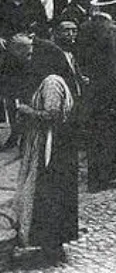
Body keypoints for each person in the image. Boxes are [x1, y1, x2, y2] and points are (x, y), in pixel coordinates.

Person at [11, 39, 79, 264]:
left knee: (49, 193)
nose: (29, 61)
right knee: (49, 194)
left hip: (53, 148)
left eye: (32, 56)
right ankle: (48, 243)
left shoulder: (51, 82)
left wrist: (26, 110)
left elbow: (52, 115)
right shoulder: (50, 80)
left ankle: (52, 245)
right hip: (55, 146)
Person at [76, 0, 116, 191]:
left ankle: (94, 177)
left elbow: (80, 57)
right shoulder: (112, 30)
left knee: (93, 133)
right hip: (108, 91)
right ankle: (104, 178)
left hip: (90, 88)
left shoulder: (85, 26)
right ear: (114, 7)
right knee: (108, 133)